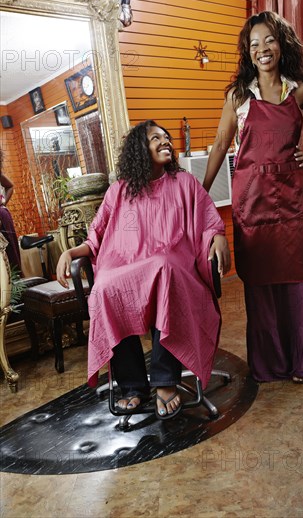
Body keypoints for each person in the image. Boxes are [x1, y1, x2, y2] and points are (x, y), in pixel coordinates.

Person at [57, 120, 231, 418]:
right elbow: (96, 236)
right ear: (140, 148)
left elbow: (207, 217)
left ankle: (165, 381)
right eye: (155, 138)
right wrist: (70, 251)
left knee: (165, 268)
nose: (165, 142)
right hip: (124, 264)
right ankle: (133, 386)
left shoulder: (184, 183)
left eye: (166, 137)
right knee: (105, 288)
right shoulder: (118, 191)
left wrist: (218, 235)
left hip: (171, 267)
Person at [203, 11, 303, 384]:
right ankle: (271, 363)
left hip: (293, 199)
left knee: (297, 279)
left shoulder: (298, 91)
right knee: (260, 283)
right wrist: (201, 195)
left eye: (269, 41)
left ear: (281, 45)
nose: (262, 49)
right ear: (247, 54)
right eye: (254, 44)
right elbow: (218, 146)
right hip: (252, 201)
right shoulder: (238, 97)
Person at [0, 150, 22, 272]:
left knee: (9, 248)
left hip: (2, 215)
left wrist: (3, 202)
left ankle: (16, 281)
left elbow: (10, 186)